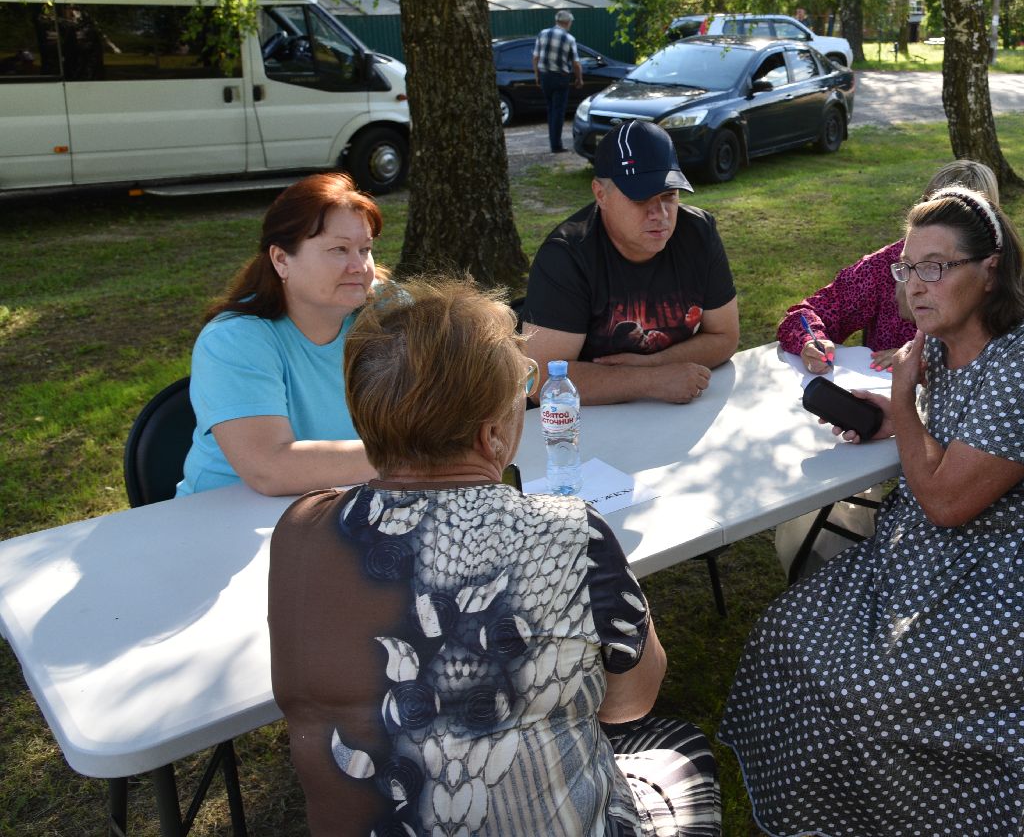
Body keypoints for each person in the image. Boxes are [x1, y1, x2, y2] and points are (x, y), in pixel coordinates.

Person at [268, 277, 721, 836]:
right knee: (678, 749)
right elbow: (630, 703)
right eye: (523, 387)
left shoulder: (302, 528)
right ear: (491, 435)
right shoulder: (572, 533)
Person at [721, 188, 1024, 837]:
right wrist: (898, 421)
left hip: (1016, 575)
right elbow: (954, 444)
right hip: (936, 551)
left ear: (990, 271)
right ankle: (815, 810)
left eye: (935, 267)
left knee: (869, 696)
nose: (914, 285)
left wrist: (900, 400)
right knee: (785, 631)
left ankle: (903, 818)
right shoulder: (946, 339)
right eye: (908, 267)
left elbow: (946, 502)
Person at [177, 173, 383, 497]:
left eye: (365, 249)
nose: (359, 266)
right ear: (281, 259)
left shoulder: (387, 312)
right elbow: (270, 468)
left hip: (345, 504)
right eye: (339, 249)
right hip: (223, 517)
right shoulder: (233, 340)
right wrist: (416, 457)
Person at [523, 119, 739, 405]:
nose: (659, 213)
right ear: (601, 194)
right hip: (587, 422)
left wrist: (654, 364)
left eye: (669, 195)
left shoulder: (698, 232)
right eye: (641, 198)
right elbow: (539, 380)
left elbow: (725, 336)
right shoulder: (565, 256)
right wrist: (651, 380)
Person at [777, 158, 999, 372]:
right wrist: (812, 341)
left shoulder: (997, 276)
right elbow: (807, 314)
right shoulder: (884, 265)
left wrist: (924, 360)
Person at [532, 10, 585, 153]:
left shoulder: (542, 34)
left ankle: (553, 143)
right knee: (558, 112)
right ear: (568, 22)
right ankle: (556, 145)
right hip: (560, 78)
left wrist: (537, 75)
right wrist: (579, 79)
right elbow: (576, 63)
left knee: (550, 110)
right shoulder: (569, 38)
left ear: (557, 21)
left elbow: (535, 57)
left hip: (545, 77)